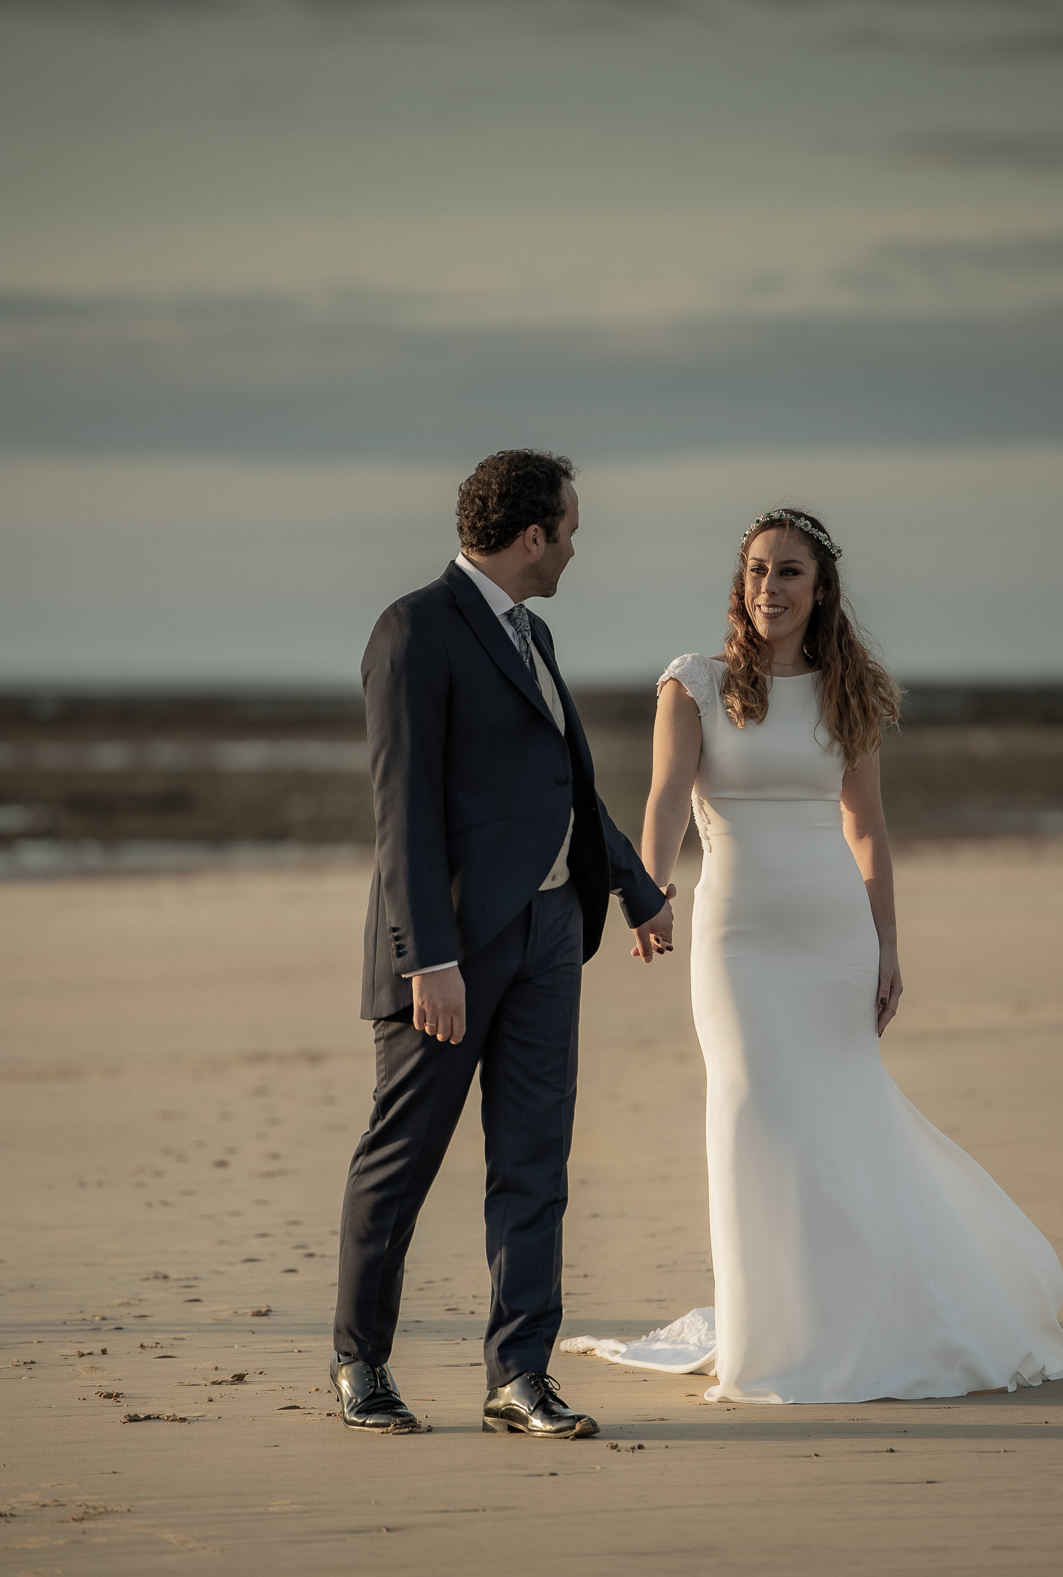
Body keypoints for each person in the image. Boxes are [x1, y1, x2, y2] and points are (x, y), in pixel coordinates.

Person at [563, 506, 1063, 1402]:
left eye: (790, 571)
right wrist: (646, 892)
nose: (771, 586)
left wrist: (888, 944)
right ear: (742, 584)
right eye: (759, 570)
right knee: (751, 1112)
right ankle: (771, 1329)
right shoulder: (694, 683)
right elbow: (662, 801)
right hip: (735, 934)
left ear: (821, 588)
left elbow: (868, 828)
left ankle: (855, 1313)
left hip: (834, 934)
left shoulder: (852, 689)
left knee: (842, 1118)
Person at [332, 449, 674, 1437]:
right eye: (569, 529)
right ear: (534, 535)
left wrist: (638, 888)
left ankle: (518, 1374)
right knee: (401, 1160)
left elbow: (565, 789)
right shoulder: (413, 631)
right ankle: (361, 1364)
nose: (574, 546)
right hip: (449, 954)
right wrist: (424, 957)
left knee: (536, 1161)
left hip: (550, 938)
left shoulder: (537, 634)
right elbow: (403, 813)